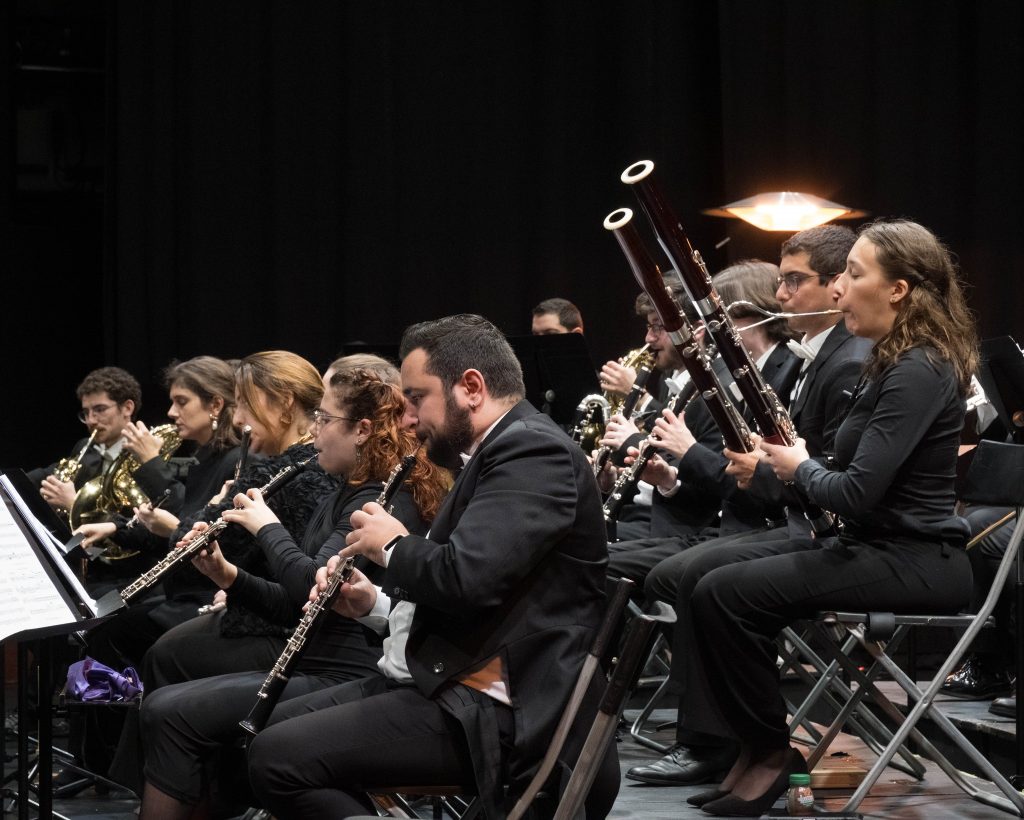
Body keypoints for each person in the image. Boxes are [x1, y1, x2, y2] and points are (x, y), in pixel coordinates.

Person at [247, 314, 617, 819]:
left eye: (417, 398)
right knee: (264, 732)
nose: (406, 419)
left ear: (471, 388)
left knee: (277, 758)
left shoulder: (533, 450)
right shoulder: (496, 450)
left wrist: (391, 545)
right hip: (464, 680)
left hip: (505, 709)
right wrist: (374, 606)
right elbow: (482, 591)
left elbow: (466, 578)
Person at [684, 219, 977, 815]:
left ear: (897, 289)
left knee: (726, 595)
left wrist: (797, 466)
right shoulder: (893, 362)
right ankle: (756, 749)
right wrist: (787, 463)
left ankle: (770, 755)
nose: (839, 288)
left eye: (853, 274)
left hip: (917, 559)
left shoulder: (920, 369)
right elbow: (848, 476)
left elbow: (856, 492)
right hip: (877, 548)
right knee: (712, 587)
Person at [136, 366, 450, 820]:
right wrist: (228, 576)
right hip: (314, 663)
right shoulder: (343, 491)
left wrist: (267, 527)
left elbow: (310, 581)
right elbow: (294, 605)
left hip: (345, 669)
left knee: (173, 712)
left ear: (362, 430)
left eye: (324, 419)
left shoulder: (379, 501)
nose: (314, 429)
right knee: (172, 711)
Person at [627, 225, 871, 787]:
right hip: (790, 520)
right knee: (676, 574)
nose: (782, 296)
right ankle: (737, 741)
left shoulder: (848, 360)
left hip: (818, 531)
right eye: (780, 283)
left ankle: (734, 741)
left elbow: (828, 477)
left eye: (794, 282)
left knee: (699, 580)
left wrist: (733, 464)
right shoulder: (819, 357)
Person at [78, 356, 243, 670]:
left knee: (111, 629)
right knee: (101, 620)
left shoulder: (233, 461)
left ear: (215, 405)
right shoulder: (205, 457)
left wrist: (151, 462)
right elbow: (175, 520)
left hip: (202, 593)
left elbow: (190, 525)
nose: (171, 412)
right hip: (182, 589)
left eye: (181, 402)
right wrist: (115, 528)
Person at [30, 366, 142, 514]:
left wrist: (73, 504)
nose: (91, 421)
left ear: (127, 408)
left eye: (100, 410)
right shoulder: (87, 448)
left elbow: (134, 524)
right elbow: (41, 476)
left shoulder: (146, 458)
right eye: (86, 412)